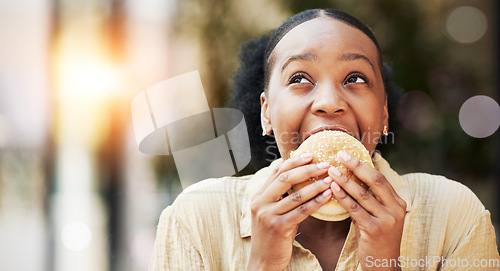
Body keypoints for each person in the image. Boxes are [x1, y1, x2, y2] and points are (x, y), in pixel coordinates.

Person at [149, 9, 500, 270]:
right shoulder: (194, 219)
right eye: (300, 76)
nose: (330, 102)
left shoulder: (453, 214)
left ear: (384, 113)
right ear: (266, 113)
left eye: (356, 78)